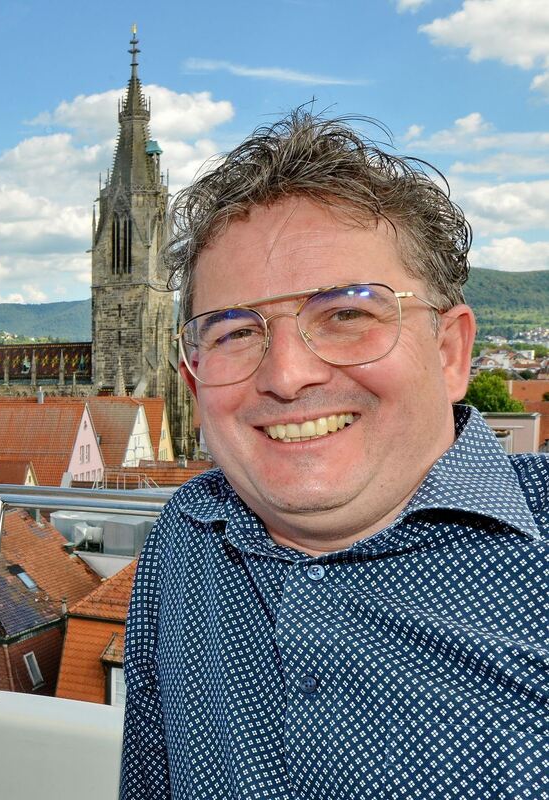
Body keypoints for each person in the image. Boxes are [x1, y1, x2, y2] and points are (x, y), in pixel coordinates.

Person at [120, 109, 549, 799]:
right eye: (234, 330)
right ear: (194, 375)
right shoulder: (185, 540)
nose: (287, 375)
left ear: (450, 352)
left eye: (347, 313)